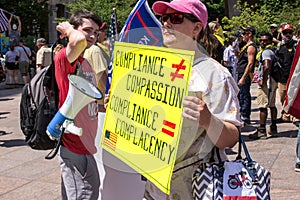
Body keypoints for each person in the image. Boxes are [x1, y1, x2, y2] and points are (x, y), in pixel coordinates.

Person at [141, 0, 242, 199]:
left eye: (176, 18)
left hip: (198, 187)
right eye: (164, 18)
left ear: (196, 28)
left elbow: (231, 138)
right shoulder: (156, 68)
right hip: (156, 187)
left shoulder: (214, 74)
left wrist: (207, 119)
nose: (166, 24)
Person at [53, 10, 102, 199]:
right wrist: (66, 28)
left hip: (86, 144)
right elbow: (78, 42)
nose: (92, 36)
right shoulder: (65, 58)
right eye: (87, 30)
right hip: (73, 144)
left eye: (96, 32)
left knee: (85, 191)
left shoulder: (83, 60)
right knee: (84, 194)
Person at [249, 32, 278, 139]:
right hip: (273, 81)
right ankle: (273, 128)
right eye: (261, 40)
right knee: (272, 104)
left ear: (270, 41)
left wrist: (263, 80)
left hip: (267, 82)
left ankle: (262, 130)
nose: (262, 42)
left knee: (263, 106)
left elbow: (266, 66)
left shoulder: (266, 52)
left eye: (265, 40)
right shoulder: (273, 50)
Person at [84, 22, 110, 110]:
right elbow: (101, 74)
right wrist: (110, 94)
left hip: (91, 100)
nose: (105, 32)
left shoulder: (90, 48)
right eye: (102, 30)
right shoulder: (95, 50)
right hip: (102, 101)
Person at [236, 26, 257, 124]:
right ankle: (242, 114)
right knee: (240, 95)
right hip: (240, 72)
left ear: (250, 34)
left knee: (244, 95)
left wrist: (244, 77)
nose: (243, 36)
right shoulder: (245, 45)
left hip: (245, 74)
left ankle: (245, 115)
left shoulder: (251, 47)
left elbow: (250, 63)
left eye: (245, 33)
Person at [277, 24, 297, 122]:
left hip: (294, 77)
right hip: (282, 78)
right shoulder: (280, 47)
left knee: (293, 96)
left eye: (290, 32)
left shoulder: (296, 46)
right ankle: (285, 114)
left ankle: (293, 115)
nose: (287, 35)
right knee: (282, 97)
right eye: (285, 33)